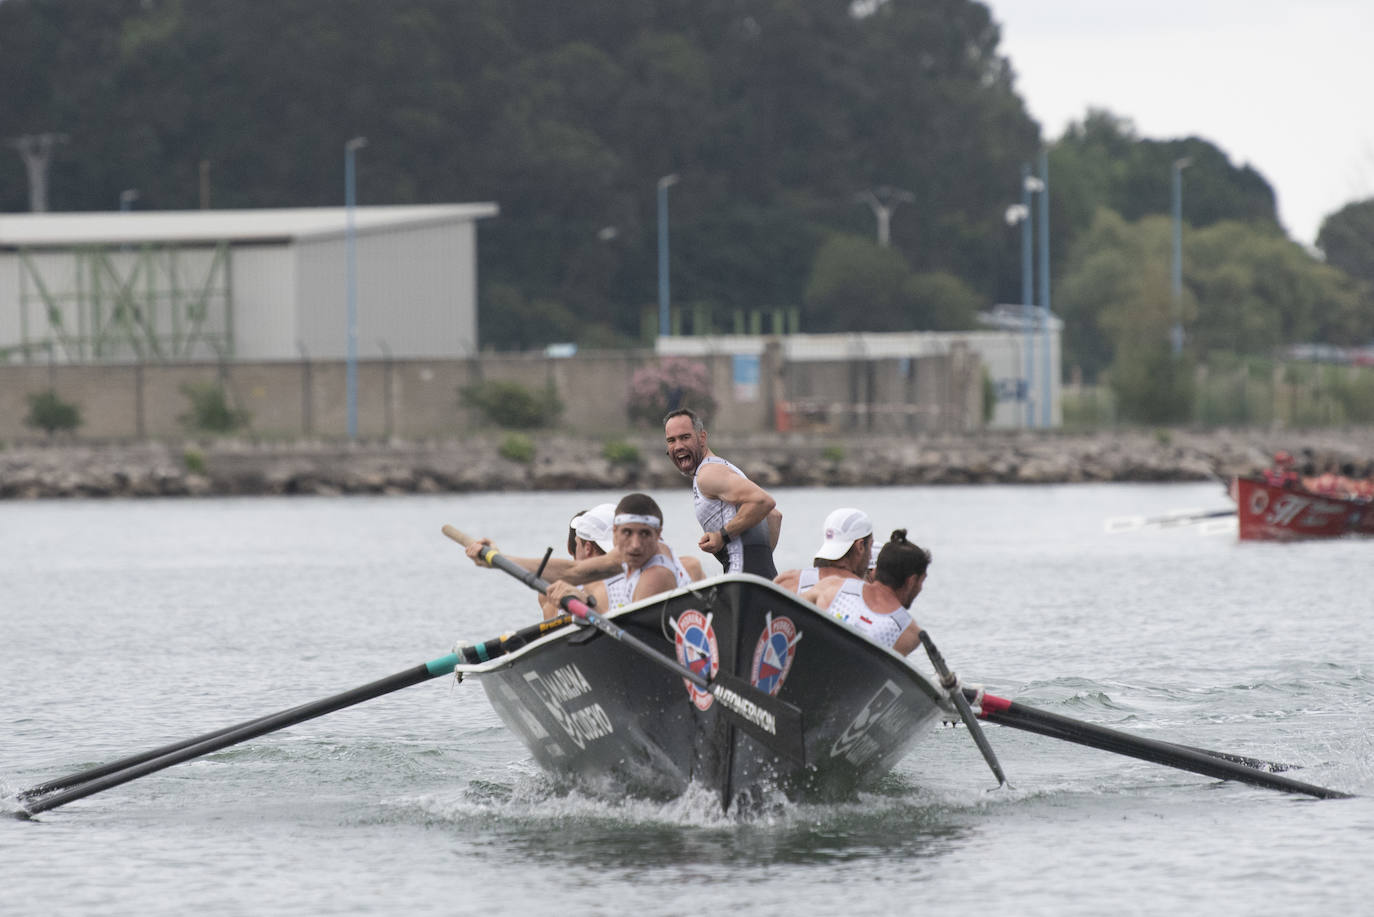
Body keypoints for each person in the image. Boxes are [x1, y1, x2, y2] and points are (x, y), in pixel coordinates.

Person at [663, 407, 781, 578]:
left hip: (740, 579)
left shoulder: (708, 474)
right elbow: (774, 516)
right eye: (671, 440)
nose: (678, 446)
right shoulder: (724, 468)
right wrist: (760, 564)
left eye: (685, 437)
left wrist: (722, 536)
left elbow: (764, 502)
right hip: (763, 578)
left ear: (702, 437)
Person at [544, 493, 696, 619]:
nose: (635, 546)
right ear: (617, 535)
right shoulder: (686, 564)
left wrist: (589, 607)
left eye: (642, 534)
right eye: (628, 533)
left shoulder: (653, 574)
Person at [802, 529, 929, 656]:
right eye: (921, 581)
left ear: (876, 570)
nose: (921, 588)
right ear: (911, 581)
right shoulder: (908, 631)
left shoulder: (832, 585)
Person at [774, 507, 873, 593]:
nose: (871, 556)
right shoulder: (865, 594)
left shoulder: (786, 581)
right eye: (870, 546)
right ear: (860, 546)